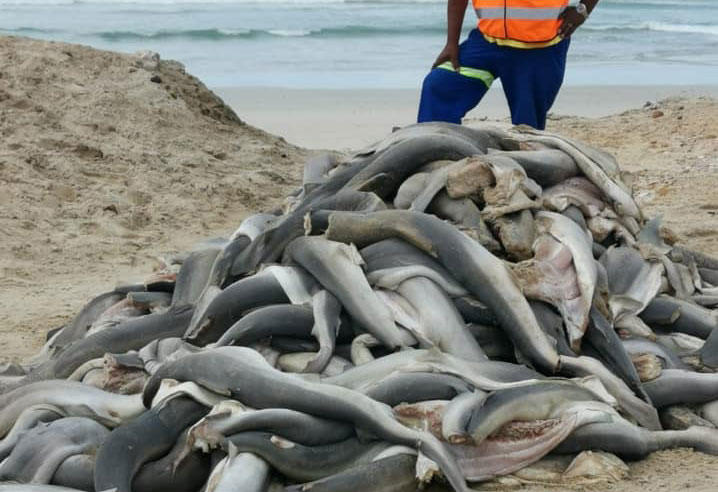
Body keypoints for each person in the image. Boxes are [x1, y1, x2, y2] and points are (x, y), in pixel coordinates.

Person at [418, 0, 599, 130]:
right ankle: (434, 153)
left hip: (539, 49)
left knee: (527, 129)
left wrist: (582, 11)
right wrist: (451, 43)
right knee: (439, 85)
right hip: (486, 42)